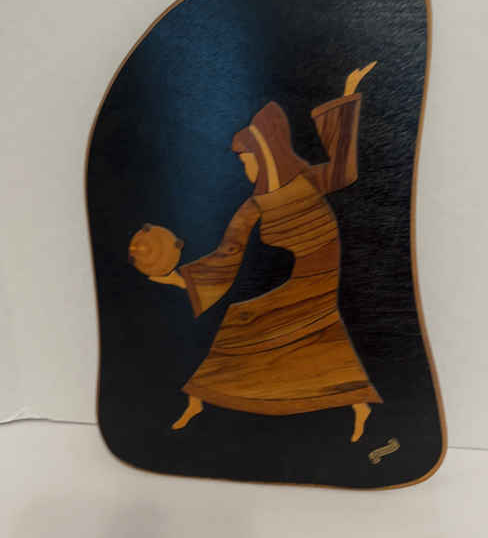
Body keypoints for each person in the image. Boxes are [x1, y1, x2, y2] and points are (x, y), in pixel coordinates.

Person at [149, 63, 382, 439]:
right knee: (310, 333)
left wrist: (348, 92)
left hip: (320, 274)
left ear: (264, 154)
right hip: (302, 280)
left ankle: (199, 399)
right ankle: (358, 406)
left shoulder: (308, 181)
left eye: (246, 159)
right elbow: (227, 256)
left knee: (252, 324)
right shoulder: (253, 207)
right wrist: (174, 277)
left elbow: (344, 170)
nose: (244, 167)